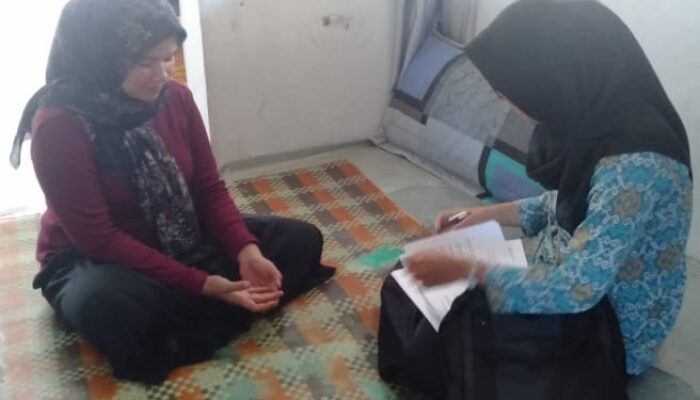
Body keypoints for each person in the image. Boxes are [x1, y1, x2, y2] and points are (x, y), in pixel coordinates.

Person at [378, 1, 692, 399]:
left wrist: (472, 273)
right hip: (560, 263)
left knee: (451, 321)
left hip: (604, 320)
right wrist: (483, 216)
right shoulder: (594, 122)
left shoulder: (636, 162)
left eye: (511, 95)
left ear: (552, 77)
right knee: (410, 274)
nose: (510, 106)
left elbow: (579, 287)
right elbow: (567, 205)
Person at [10, 0, 334, 383]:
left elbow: (208, 191)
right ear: (102, 56)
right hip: (94, 257)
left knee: (300, 240)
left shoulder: (176, 98)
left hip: (180, 233)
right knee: (109, 305)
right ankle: (216, 304)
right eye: (146, 62)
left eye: (169, 58)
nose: (162, 74)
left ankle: (199, 312)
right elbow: (100, 239)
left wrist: (246, 251)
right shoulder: (59, 125)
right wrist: (205, 284)